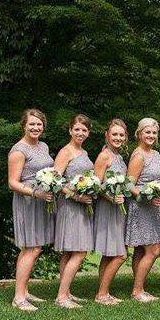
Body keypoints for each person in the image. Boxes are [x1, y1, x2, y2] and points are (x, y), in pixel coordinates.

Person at [7, 109, 55, 312]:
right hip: (28, 202)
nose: (35, 128)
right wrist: (36, 194)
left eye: (39, 125)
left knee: (33, 248)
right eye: (31, 124)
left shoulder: (43, 146)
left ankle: (24, 290)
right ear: (24, 126)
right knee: (31, 248)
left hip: (41, 202)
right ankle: (18, 298)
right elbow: (12, 183)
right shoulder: (19, 150)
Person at [53, 114, 95, 309]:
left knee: (70, 252)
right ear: (70, 130)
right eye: (77, 129)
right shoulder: (66, 152)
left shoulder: (84, 152)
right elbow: (55, 181)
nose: (80, 133)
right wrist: (77, 196)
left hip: (81, 205)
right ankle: (62, 297)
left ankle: (66, 292)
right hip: (70, 205)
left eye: (84, 130)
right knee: (79, 251)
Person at [125, 117, 160, 302]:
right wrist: (147, 196)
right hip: (141, 207)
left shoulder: (155, 154)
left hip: (153, 208)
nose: (151, 135)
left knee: (142, 251)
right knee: (154, 250)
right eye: (147, 132)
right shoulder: (138, 155)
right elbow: (129, 185)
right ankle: (137, 292)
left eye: (154, 132)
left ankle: (140, 288)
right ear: (139, 134)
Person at [93, 118, 129, 306]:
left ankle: (103, 292)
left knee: (109, 254)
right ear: (107, 135)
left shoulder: (120, 157)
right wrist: (111, 197)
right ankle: (101, 294)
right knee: (120, 255)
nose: (118, 137)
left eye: (121, 135)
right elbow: (96, 185)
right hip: (107, 208)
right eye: (114, 134)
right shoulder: (104, 156)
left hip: (118, 209)